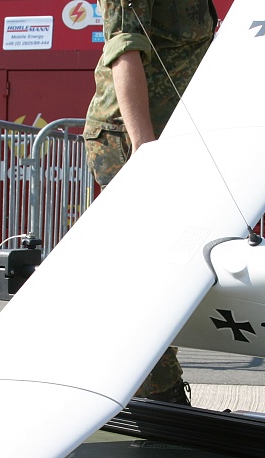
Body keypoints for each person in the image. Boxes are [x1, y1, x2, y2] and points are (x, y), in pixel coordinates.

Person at [83, 0, 218, 405]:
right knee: (147, 272)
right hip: (132, 139)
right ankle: (159, 397)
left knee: (166, 266)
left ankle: (155, 392)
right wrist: (144, 148)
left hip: (174, 136)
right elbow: (123, 49)